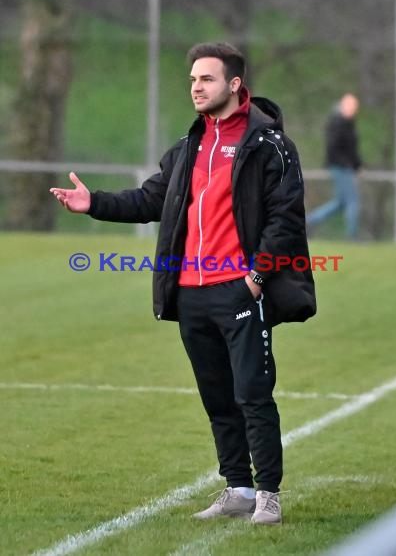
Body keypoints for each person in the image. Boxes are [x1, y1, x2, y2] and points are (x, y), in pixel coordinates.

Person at [50, 42, 316, 525]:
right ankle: (236, 488)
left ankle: (267, 496)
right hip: (190, 293)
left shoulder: (271, 145)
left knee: (252, 393)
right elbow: (151, 200)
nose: (196, 87)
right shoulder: (188, 147)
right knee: (216, 395)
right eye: (193, 79)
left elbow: (286, 218)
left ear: (234, 85)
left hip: (239, 290)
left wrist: (255, 278)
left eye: (206, 79)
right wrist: (95, 203)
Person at [306, 93, 362, 239]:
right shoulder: (338, 123)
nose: (354, 109)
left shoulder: (348, 123)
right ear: (343, 106)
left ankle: (310, 220)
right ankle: (352, 235)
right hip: (340, 166)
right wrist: (348, 164)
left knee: (340, 202)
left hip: (345, 166)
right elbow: (334, 147)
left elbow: (352, 149)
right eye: (351, 106)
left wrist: (356, 165)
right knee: (352, 200)